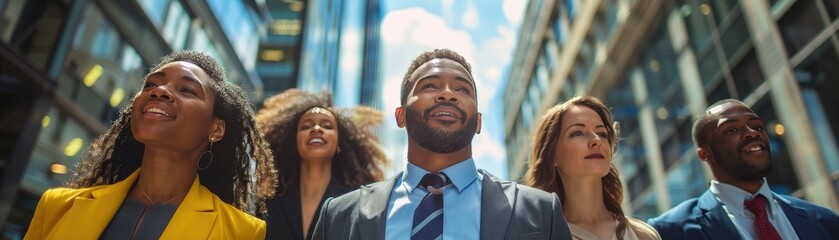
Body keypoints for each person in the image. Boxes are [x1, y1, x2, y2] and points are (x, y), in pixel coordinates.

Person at [311, 48, 572, 240]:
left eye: (462, 90)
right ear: (400, 116)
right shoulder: (339, 216)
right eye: (430, 85)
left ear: (478, 122)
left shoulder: (541, 212)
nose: (447, 93)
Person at [24, 50, 278, 239]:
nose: (159, 91)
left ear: (216, 129)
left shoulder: (242, 232)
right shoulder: (57, 206)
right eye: (152, 84)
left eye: (187, 90)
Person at [647, 99, 839, 239]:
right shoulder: (669, 231)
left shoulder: (823, 220)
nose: (753, 133)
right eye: (731, 130)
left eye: (757, 126)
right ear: (705, 154)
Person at [256, 88, 389, 240]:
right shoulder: (268, 200)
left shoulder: (360, 201)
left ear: (339, 143)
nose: (316, 129)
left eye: (327, 126)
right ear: (295, 141)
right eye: (306, 126)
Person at [523, 96, 660, 240]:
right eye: (577, 133)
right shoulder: (541, 236)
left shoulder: (644, 235)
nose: (596, 140)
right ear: (553, 156)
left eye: (602, 133)